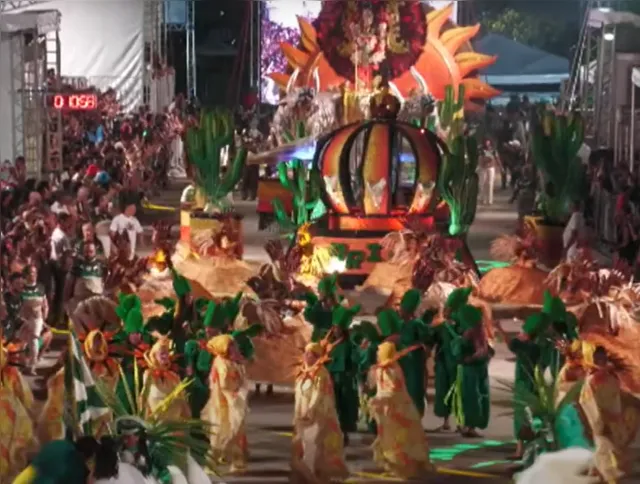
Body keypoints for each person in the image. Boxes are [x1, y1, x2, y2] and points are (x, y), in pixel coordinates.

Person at [368, 341, 433, 479]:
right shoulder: (383, 368)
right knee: (390, 438)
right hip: (388, 408)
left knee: (400, 438)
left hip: (397, 409)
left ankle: (405, 468)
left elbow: (393, 390)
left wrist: (379, 399)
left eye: (379, 352)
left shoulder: (391, 370)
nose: (377, 355)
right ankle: (395, 467)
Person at [291, 342, 349, 483]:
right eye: (305, 352)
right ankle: (309, 473)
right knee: (303, 443)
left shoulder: (321, 374)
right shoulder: (303, 372)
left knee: (312, 443)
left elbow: (319, 394)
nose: (305, 355)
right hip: (302, 414)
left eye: (309, 353)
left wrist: (310, 410)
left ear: (316, 356)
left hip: (317, 415)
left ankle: (310, 475)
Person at [202, 334, 250, 473]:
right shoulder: (222, 363)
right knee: (221, 432)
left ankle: (238, 462)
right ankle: (211, 463)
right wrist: (236, 392)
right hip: (224, 403)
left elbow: (242, 378)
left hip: (235, 401)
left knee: (237, 431)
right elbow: (224, 384)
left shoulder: (234, 361)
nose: (235, 348)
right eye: (231, 346)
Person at [19, 264, 52, 374]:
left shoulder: (41, 287)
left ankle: (33, 366)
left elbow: (45, 304)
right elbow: (19, 304)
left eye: (35, 272)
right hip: (24, 318)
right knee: (22, 341)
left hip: (37, 318)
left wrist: (44, 315)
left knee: (33, 340)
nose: (34, 275)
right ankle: (22, 364)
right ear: (26, 274)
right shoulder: (21, 288)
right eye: (32, 272)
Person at [478, 139, 501, 205]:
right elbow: (479, 158)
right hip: (483, 168)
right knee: (482, 184)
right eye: (486, 142)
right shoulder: (481, 150)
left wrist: (500, 167)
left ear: (490, 143)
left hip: (491, 168)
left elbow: (497, 158)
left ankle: (490, 200)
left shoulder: (493, 150)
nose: (487, 144)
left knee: (490, 184)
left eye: (488, 142)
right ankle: (483, 199)